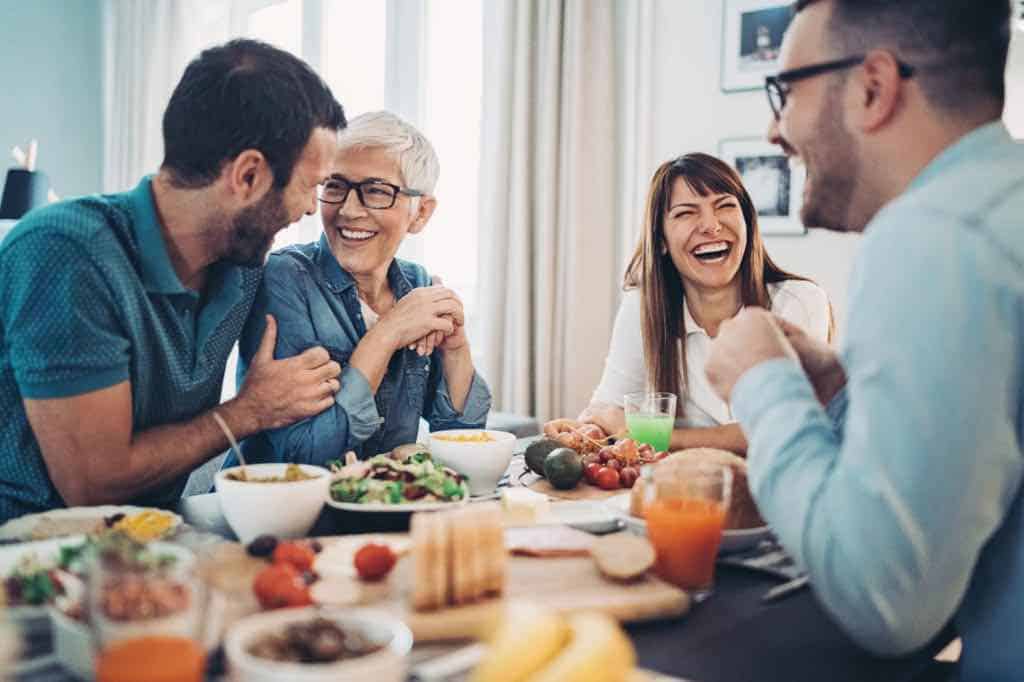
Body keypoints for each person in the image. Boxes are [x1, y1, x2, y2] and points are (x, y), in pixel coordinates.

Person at [704, 0, 1021, 676]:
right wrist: (841, 388)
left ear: (873, 87)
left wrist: (764, 382)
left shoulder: (935, 237)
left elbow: (885, 601)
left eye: (784, 92)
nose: (775, 128)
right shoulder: (999, 210)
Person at [0, 39, 346, 522]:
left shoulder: (242, 265)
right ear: (248, 176)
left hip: (155, 545)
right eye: (309, 186)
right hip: (31, 557)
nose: (312, 208)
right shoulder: (65, 252)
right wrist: (249, 411)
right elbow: (93, 483)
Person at [232, 111, 491, 466]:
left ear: (421, 213)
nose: (348, 210)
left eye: (375, 191)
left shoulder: (416, 286)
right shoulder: (283, 278)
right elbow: (304, 457)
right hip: (280, 513)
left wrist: (456, 349)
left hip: (381, 510)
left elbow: (461, 444)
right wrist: (386, 334)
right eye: (335, 186)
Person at [547, 153, 830, 454]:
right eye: (686, 213)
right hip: (677, 491)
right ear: (661, 241)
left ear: (748, 222)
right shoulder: (643, 307)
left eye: (725, 206)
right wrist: (585, 431)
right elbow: (608, 408)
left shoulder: (798, 302)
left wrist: (651, 436)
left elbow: (784, 428)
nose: (711, 225)